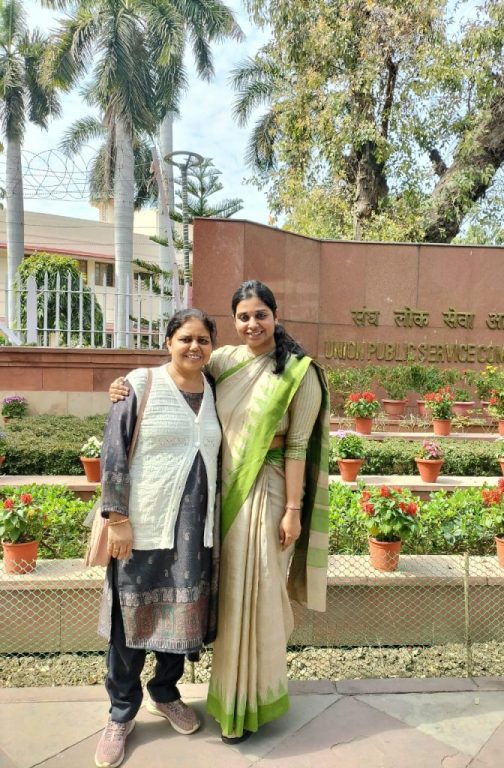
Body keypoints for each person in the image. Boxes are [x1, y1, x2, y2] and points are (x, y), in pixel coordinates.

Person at [110, 280, 330, 744]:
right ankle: (130, 709)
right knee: (209, 597)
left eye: (260, 314)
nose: (252, 323)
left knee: (247, 596)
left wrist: (293, 510)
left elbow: (296, 447)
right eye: (243, 316)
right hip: (209, 499)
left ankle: (245, 700)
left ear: (275, 314)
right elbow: (177, 375)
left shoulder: (298, 372)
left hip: (263, 494)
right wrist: (125, 383)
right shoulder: (223, 360)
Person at [95, 308, 222, 768]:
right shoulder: (140, 384)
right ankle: (120, 713)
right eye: (186, 338)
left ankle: (165, 693)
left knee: (184, 619)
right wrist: (117, 519)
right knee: (129, 624)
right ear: (168, 341)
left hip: (195, 535)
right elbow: (114, 448)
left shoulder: (214, 389)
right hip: (143, 528)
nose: (195, 347)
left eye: (203, 340)